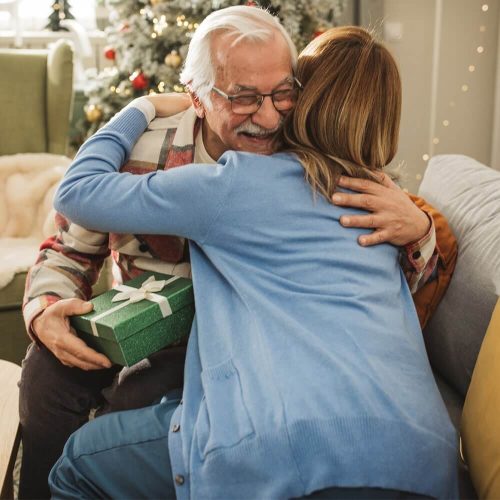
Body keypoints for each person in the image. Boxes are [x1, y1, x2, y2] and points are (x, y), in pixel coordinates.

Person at [19, 6, 440, 499]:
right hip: (142, 334)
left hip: (239, 353)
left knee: (124, 424)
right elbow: (69, 242)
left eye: (283, 93)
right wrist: (43, 308)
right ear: (197, 97)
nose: (267, 116)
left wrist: (419, 228)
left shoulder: (316, 156)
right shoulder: (141, 151)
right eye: (242, 98)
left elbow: (383, 260)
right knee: (45, 377)